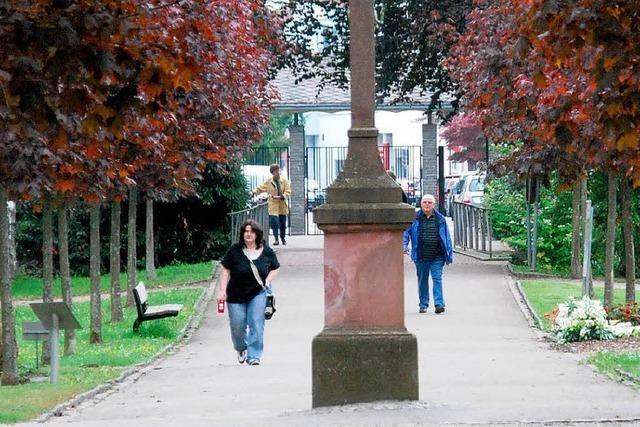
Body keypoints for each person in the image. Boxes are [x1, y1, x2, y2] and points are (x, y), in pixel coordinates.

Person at [217, 219, 280, 365]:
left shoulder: (267, 251)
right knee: (237, 326)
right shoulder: (234, 251)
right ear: (242, 234)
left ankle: (254, 355)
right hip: (235, 294)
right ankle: (240, 347)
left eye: (252, 231)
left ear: (257, 234)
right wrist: (222, 290)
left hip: (257, 292)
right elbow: (225, 270)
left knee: (256, 323)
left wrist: (268, 281)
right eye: (246, 231)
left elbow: (276, 267)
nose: (249, 234)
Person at [403, 194, 453, 314]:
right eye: (424, 202)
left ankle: (439, 304)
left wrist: (449, 254)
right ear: (421, 204)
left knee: (437, 278)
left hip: (437, 255)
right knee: (422, 280)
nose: (427, 204)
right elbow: (406, 233)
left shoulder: (440, 219)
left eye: (429, 202)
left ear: (434, 205)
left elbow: (447, 238)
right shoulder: (414, 218)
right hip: (420, 255)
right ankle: (423, 304)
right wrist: (404, 246)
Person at [253, 164, 290, 245]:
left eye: (279, 170)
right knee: (274, 222)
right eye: (276, 171)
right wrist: (254, 192)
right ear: (272, 173)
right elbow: (261, 188)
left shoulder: (284, 180)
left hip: (282, 204)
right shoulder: (269, 181)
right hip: (273, 204)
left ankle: (283, 238)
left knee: (282, 223)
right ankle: (276, 239)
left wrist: (282, 196)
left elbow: (288, 191)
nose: (278, 172)